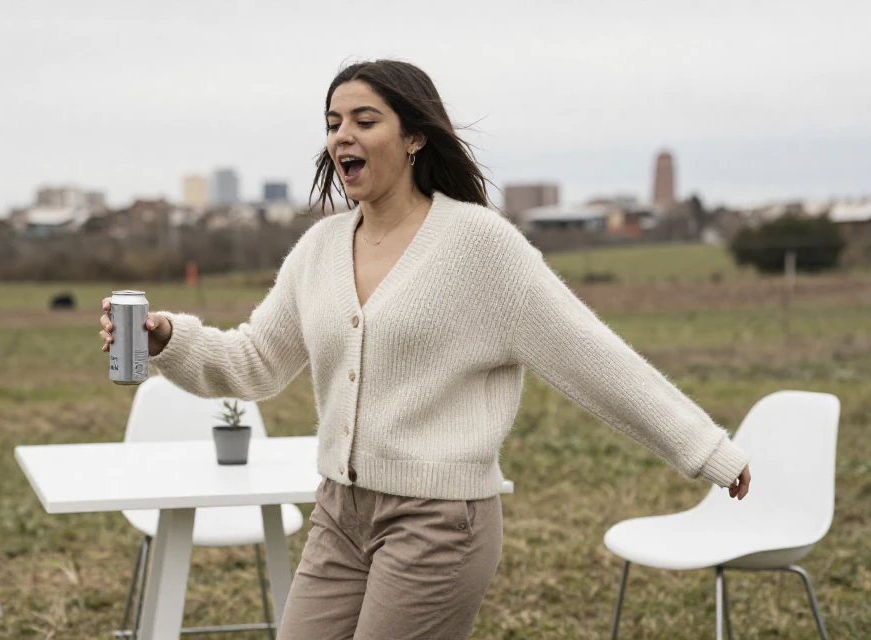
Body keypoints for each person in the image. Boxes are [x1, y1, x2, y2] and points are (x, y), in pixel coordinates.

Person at [99, 59, 752, 640]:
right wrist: (169, 340)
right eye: (332, 123)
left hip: (438, 523)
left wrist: (705, 449)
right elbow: (254, 362)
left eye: (363, 120)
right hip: (338, 515)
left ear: (413, 136)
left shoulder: (479, 246)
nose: (341, 137)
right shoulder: (320, 248)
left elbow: (592, 357)